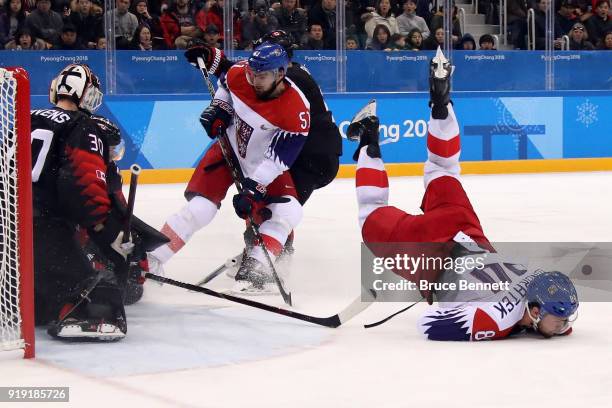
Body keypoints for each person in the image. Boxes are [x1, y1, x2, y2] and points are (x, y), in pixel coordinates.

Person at [348, 48, 579, 340]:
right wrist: (491, 326)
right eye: (559, 319)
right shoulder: (495, 320)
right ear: (534, 312)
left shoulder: (535, 281)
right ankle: (368, 136)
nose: (565, 324)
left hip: (464, 227)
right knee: (371, 210)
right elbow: (428, 325)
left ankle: (441, 104)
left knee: (442, 168)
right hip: (431, 254)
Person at [152, 31, 342, 292]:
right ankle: (151, 258)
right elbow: (230, 75)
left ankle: (262, 261)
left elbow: (278, 157)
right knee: (201, 209)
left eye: (261, 75)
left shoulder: (295, 102)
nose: (253, 79)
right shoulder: (253, 73)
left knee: (284, 210)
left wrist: (254, 187)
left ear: (281, 71)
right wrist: (220, 104)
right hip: (233, 149)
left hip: (309, 157)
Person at [31, 64, 131, 341]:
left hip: (9, 224)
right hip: (43, 227)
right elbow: (83, 185)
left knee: (35, 293)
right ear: (86, 95)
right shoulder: (82, 126)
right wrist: (104, 230)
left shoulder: (25, 118)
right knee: (95, 290)